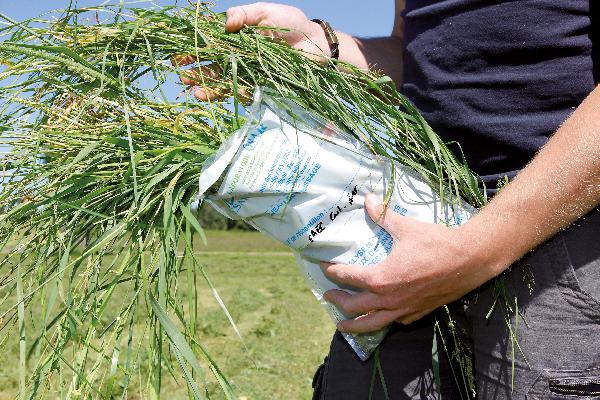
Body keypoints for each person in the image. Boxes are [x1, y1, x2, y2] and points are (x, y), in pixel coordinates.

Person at [184, 1, 600, 398]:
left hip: (559, 221)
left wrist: (475, 249)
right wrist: (322, 47)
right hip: (420, 210)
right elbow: (420, 59)